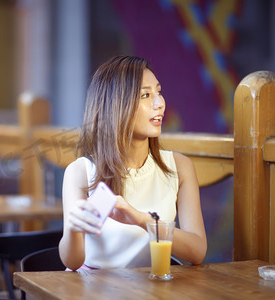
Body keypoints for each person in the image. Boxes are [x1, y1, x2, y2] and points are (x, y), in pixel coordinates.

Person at [59, 56, 207, 271]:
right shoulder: (81, 171)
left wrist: (142, 220)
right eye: (146, 95)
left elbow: (197, 252)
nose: (160, 103)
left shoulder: (180, 167)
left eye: (159, 92)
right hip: (92, 290)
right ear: (115, 106)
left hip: (151, 289)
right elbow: (72, 262)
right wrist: (73, 229)